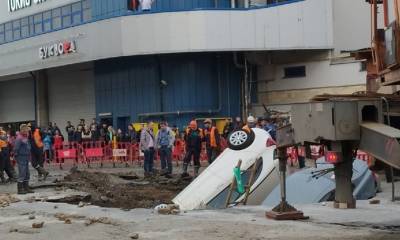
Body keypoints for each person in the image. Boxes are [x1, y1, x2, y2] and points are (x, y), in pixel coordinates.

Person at [14, 124, 34, 194]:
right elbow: (16, 148)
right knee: (22, 173)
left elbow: (28, 145)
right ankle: (20, 189)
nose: (27, 131)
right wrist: (16, 157)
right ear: (22, 130)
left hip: (26, 156)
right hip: (21, 157)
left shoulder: (26, 137)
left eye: (27, 130)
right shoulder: (19, 138)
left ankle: (26, 187)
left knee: (27, 173)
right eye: (25, 130)